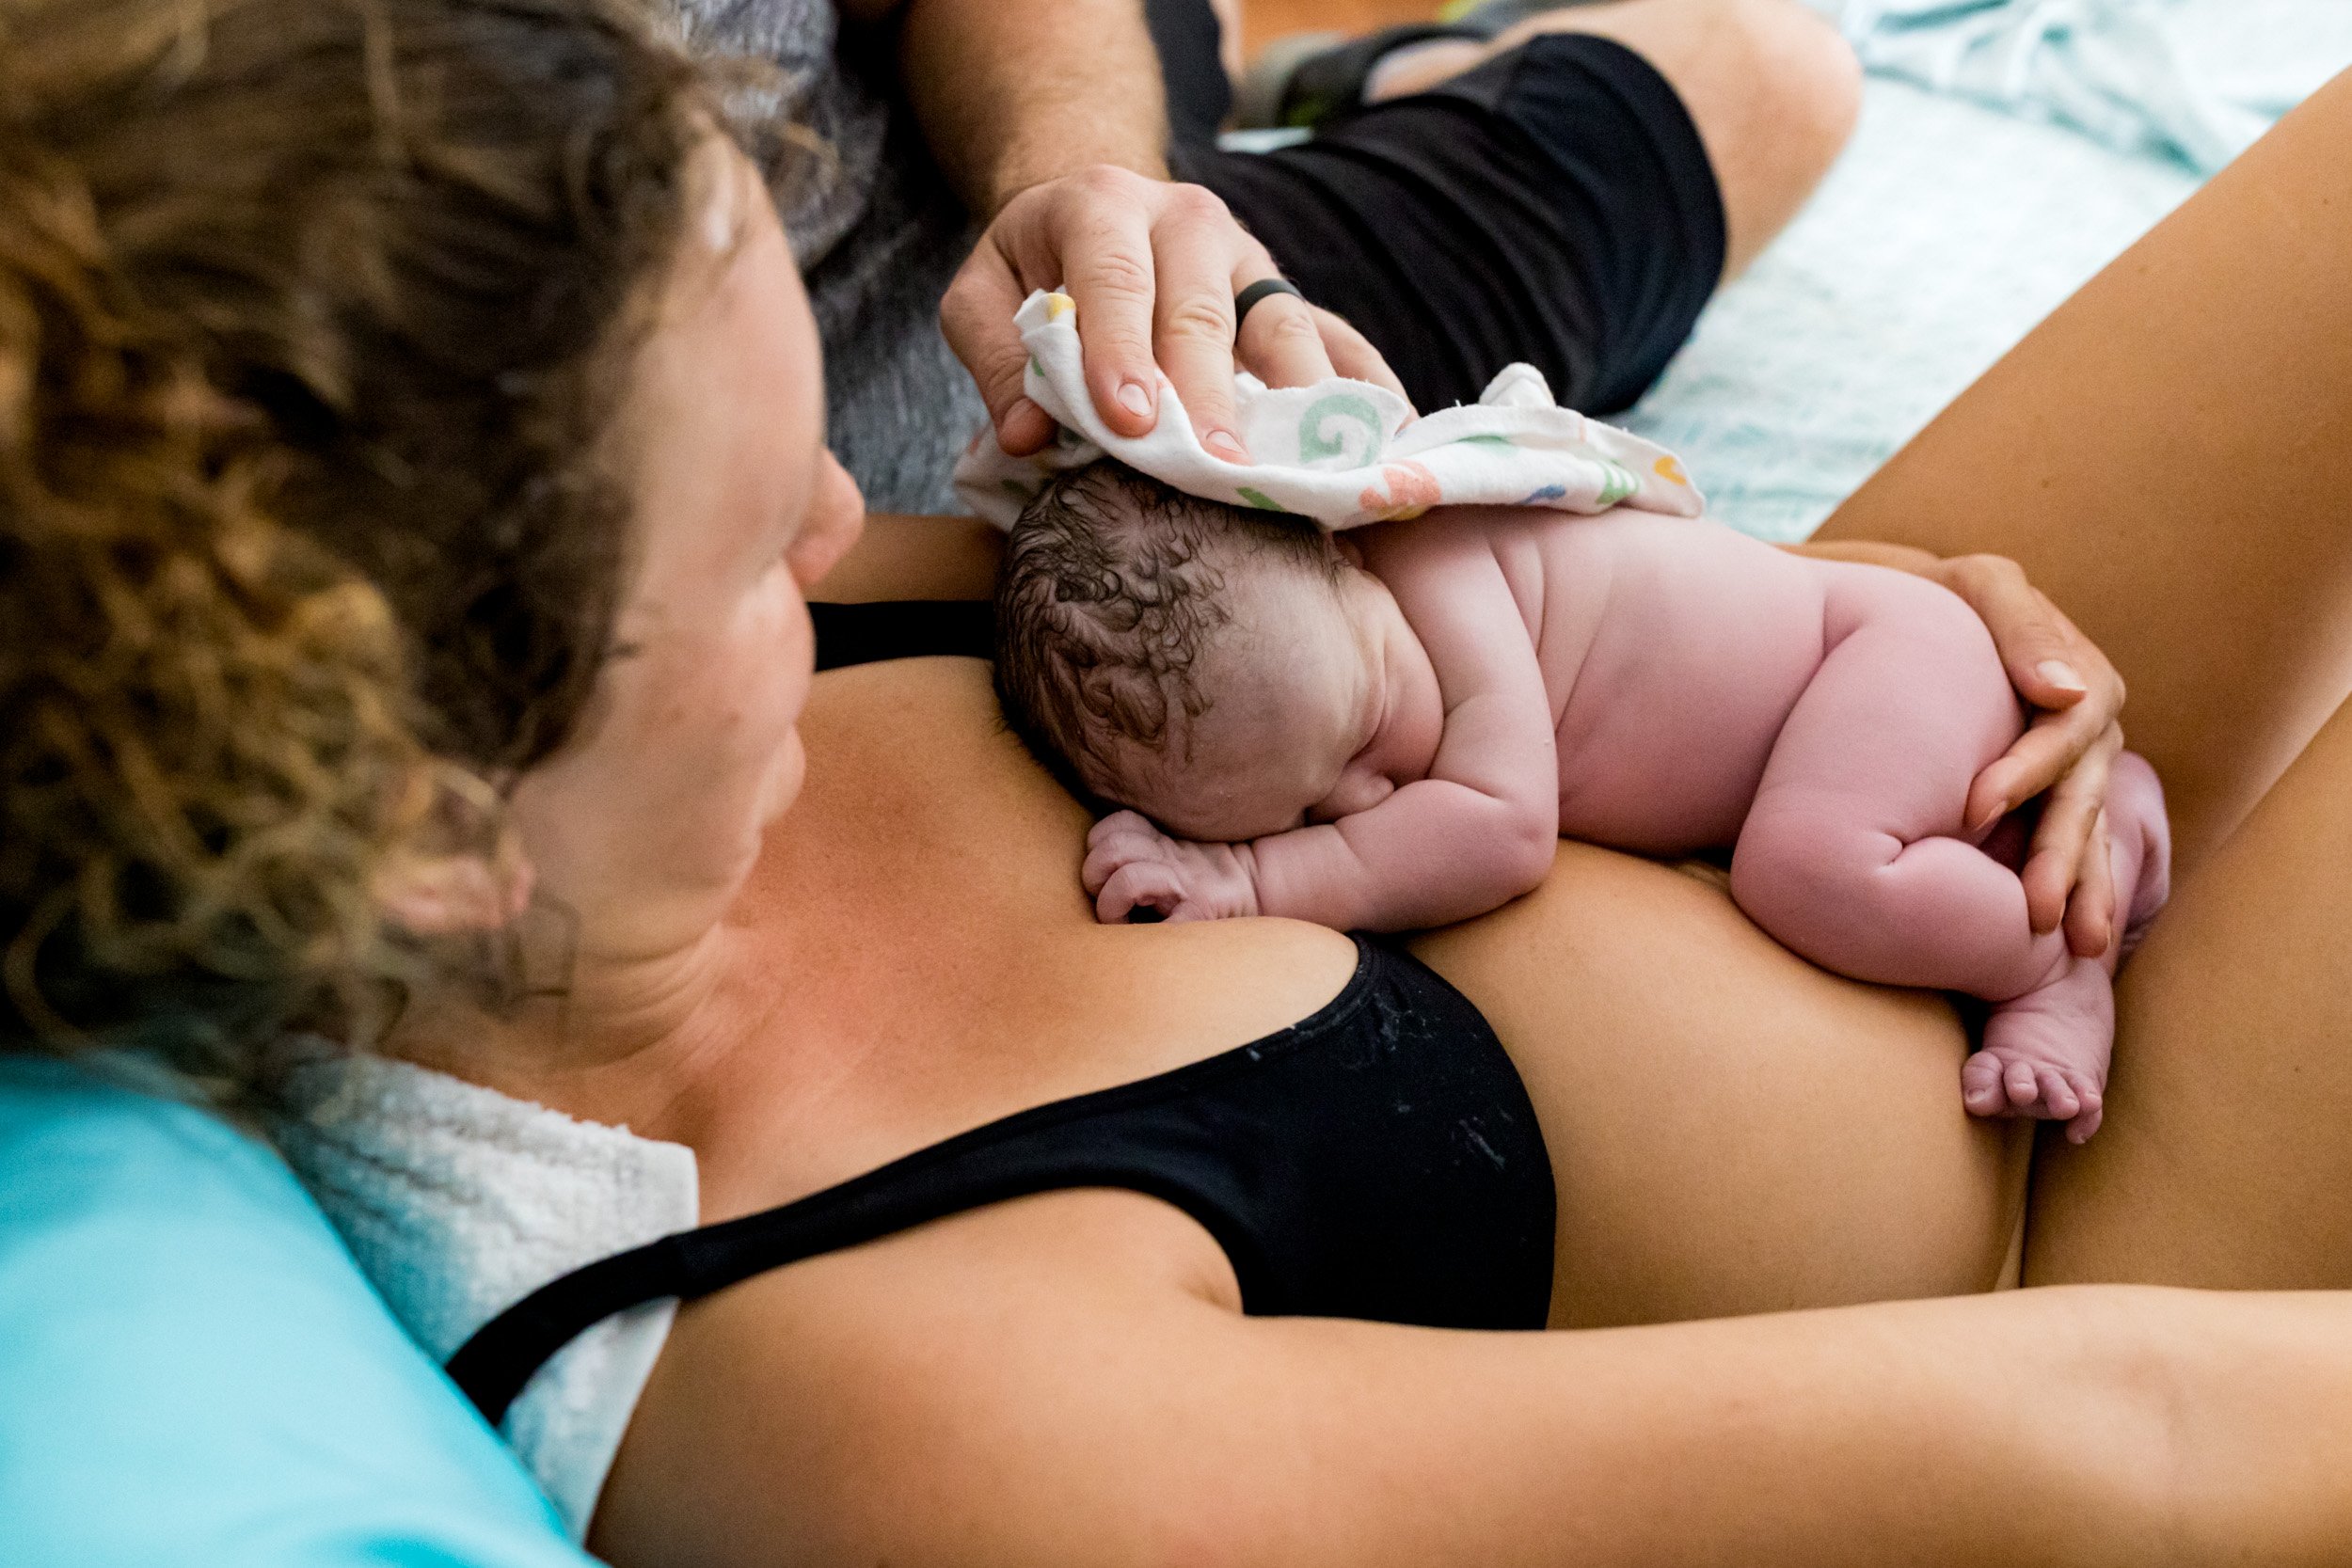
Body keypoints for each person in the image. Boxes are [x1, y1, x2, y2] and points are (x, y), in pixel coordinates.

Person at [11, 1, 2352, 1565]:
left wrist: (1872, 623)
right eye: (751, 537)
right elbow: (2110, 1445)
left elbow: (1428, 544)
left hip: (1827, 731)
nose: (856, 522)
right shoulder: (879, 1399)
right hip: (2084, 1223)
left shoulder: (686, 721)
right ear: (435, 824)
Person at [989, 461, 2170, 1141]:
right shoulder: (1353, 630)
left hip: (1867, 652)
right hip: (1848, 708)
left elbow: (1503, 831)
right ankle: (2071, 832)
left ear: (1342, 551)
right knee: (1810, 843)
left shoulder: (1443, 563)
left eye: (1359, 729)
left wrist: (1256, 875)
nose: (1366, 796)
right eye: (1293, 816)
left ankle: (2051, 952)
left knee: (1802, 867)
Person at [713, 0, 1860, 513]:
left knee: (1775, 68)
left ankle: (1333, 83)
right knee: (1766, 71)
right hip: (1080, 424)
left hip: (1042, 220)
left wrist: (1098, 183)